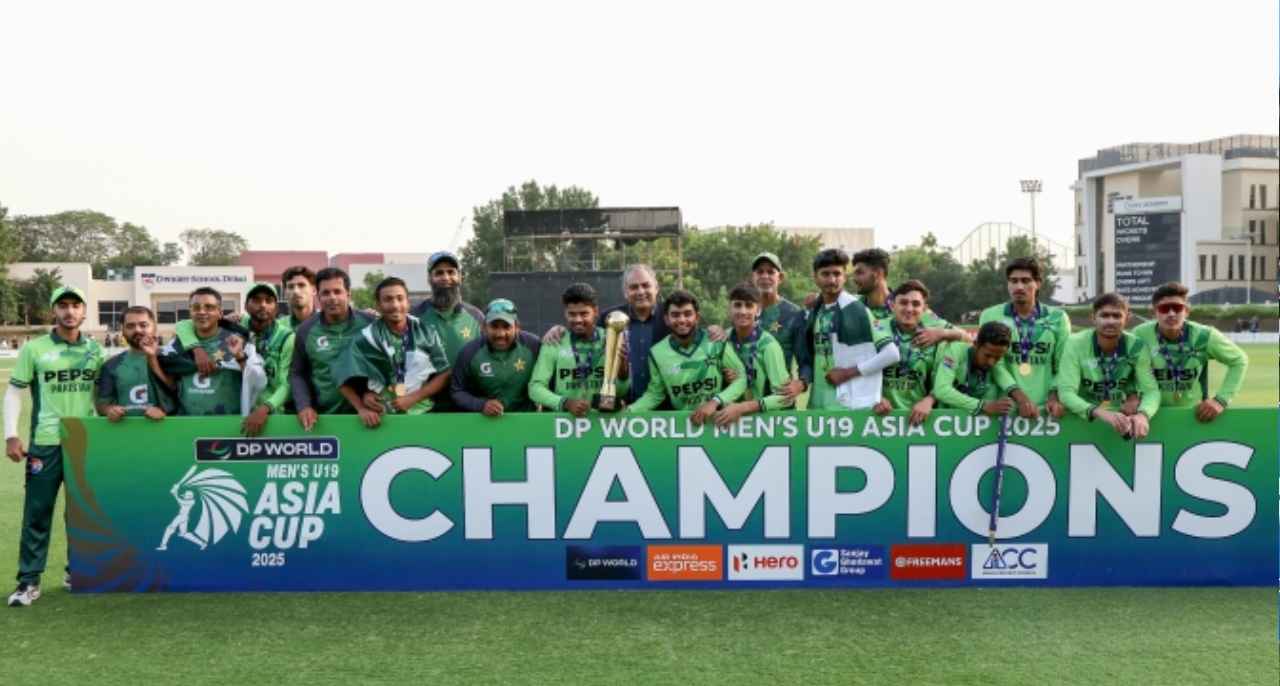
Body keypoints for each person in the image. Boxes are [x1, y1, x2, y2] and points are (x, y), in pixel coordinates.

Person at [4, 286, 106, 607]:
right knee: (37, 513)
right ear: (53, 311)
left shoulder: (96, 351)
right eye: (63, 305)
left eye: (76, 305)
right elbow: (14, 392)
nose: (69, 311)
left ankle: (78, 572)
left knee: (81, 513)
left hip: (84, 442)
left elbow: (104, 397)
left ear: (84, 312)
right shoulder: (35, 349)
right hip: (45, 443)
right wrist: (11, 434)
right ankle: (28, 582)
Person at [796, 249, 900, 410]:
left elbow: (891, 354)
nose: (832, 280)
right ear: (815, 277)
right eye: (825, 274)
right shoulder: (815, 311)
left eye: (837, 274)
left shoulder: (857, 310)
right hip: (817, 404)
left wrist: (847, 373)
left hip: (848, 406)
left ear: (844, 277)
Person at [340, 277, 451, 427]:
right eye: (388, 299)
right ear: (378, 305)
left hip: (422, 415)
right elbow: (341, 378)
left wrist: (413, 398)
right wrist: (361, 405)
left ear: (408, 302)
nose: (395, 305)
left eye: (400, 298)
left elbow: (444, 373)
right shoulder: (365, 338)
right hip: (382, 419)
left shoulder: (426, 331)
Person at [1132, 282, 1247, 423]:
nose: (1171, 314)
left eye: (1177, 308)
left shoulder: (1204, 336)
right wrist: (1130, 396)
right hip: (1149, 415)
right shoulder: (1139, 335)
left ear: (1186, 311)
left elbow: (1239, 360)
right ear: (1154, 312)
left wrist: (1221, 400)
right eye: (1164, 309)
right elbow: (1125, 365)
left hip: (1193, 415)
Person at [627, 290, 748, 424]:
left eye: (687, 314)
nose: (682, 320)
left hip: (718, 421)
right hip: (684, 425)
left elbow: (741, 378)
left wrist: (714, 402)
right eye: (675, 315)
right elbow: (655, 394)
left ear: (696, 317)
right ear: (666, 319)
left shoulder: (715, 341)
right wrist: (629, 412)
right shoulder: (657, 353)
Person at [1056, 292, 1160, 438]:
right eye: (1104, 315)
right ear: (1093, 318)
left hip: (1122, 419)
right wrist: (1101, 413)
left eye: (1117, 316)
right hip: (1084, 421)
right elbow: (1066, 393)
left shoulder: (1137, 347)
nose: (1110, 321)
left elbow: (1151, 391)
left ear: (1127, 318)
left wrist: (1143, 415)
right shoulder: (1075, 343)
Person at [979, 257, 1072, 418]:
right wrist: (1020, 399)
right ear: (1008, 284)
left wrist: (1054, 395)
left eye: (1026, 280)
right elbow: (994, 364)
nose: (1019, 286)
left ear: (1038, 283)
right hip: (1005, 408)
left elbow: (1063, 364)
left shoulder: (1058, 318)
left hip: (1046, 409)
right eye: (1013, 281)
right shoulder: (990, 315)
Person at [289, 267, 375, 430]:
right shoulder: (306, 330)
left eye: (337, 291)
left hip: (368, 417)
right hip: (323, 420)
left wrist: (373, 394)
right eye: (326, 293)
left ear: (348, 294)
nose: (332, 298)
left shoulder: (370, 324)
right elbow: (297, 373)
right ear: (318, 296)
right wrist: (304, 405)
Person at [159, 287, 263, 416]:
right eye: (196, 307)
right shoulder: (176, 345)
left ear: (220, 312)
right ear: (190, 312)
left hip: (228, 424)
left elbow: (257, 381)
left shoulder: (237, 341)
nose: (202, 312)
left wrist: (237, 357)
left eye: (209, 307)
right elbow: (169, 381)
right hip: (187, 424)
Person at [529, 283, 627, 416]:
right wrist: (565, 403)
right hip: (566, 424)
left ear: (595, 312)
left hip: (603, 423)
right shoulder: (554, 341)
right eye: (572, 314)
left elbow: (623, 390)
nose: (578, 320)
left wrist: (623, 371)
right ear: (565, 313)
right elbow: (535, 388)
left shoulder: (610, 339)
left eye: (584, 313)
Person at [712, 284, 802, 428]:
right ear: (729, 309)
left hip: (771, 424)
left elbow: (785, 398)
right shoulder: (723, 339)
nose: (742, 311)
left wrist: (742, 408)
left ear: (758, 310)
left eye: (749, 306)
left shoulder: (768, 345)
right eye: (737, 305)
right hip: (735, 423)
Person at [411, 251, 484, 410]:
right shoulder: (414, 316)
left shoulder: (477, 317)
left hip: (468, 405)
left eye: (451, 272)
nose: (446, 277)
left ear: (460, 277)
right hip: (425, 406)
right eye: (439, 273)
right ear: (429, 279)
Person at [873, 280, 952, 425]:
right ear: (892, 305)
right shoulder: (877, 328)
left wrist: (930, 400)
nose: (909, 309)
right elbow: (859, 368)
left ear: (924, 308)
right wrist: (874, 397)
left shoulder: (934, 334)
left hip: (920, 417)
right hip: (880, 418)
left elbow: (948, 376)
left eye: (916, 304)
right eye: (903, 302)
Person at [451, 299, 541, 416]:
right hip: (485, 425)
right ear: (484, 327)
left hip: (526, 422)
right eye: (494, 326)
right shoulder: (469, 352)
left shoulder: (534, 346)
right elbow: (457, 391)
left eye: (506, 327)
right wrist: (481, 405)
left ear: (517, 327)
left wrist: (558, 331)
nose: (500, 334)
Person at [933, 321, 1029, 416]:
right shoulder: (955, 351)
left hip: (980, 427)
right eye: (987, 356)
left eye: (997, 358)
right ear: (975, 344)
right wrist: (982, 406)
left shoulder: (995, 356)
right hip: (948, 423)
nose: (991, 362)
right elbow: (941, 390)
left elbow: (1003, 377)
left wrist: (1022, 399)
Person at [95, 306, 174, 422]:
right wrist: (110, 410)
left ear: (154, 328)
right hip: (126, 433)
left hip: (167, 432)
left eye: (143, 325)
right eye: (130, 326)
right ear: (122, 330)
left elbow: (179, 393)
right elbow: (102, 404)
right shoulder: (111, 365)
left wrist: (165, 411)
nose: (137, 330)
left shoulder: (171, 359)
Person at [239, 283, 296, 436]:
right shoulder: (235, 329)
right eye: (256, 300)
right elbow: (186, 324)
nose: (263, 305)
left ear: (276, 307)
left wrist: (264, 409)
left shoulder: (287, 337)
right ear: (246, 306)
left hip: (272, 416)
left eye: (268, 300)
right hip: (237, 414)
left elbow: (287, 383)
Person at [749, 252, 803, 368]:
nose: (764, 276)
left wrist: (801, 383)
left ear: (780, 277)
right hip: (748, 385)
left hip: (780, 384)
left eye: (770, 272)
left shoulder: (794, 313)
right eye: (760, 272)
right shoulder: (744, 311)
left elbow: (804, 360)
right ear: (753, 277)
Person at [281, 265, 318, 329]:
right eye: (290, 287)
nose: (296, 291)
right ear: (285, 293)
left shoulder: (327, 324)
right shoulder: (277, 327)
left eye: (301, 285)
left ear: (314, 290)